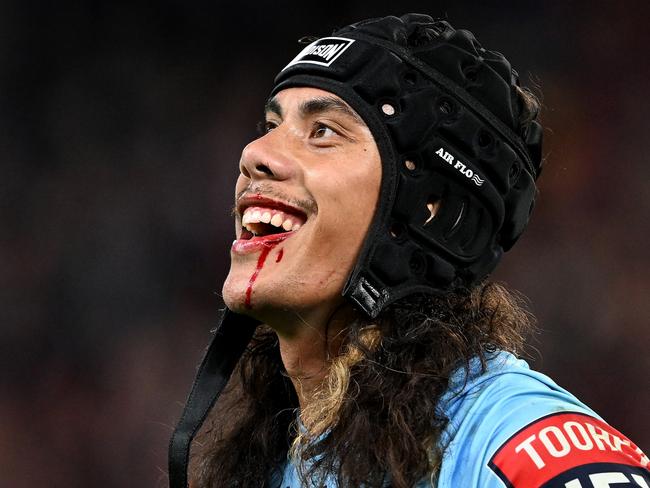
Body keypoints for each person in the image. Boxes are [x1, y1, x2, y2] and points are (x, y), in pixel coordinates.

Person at [168, 14, 649, 488]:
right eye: (271, 125)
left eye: (323, 133)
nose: (256, 153)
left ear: (429, 211)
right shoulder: (272, 456)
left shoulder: (511, 438)